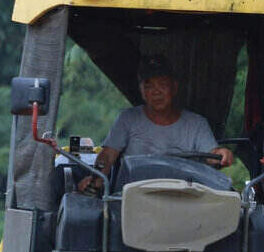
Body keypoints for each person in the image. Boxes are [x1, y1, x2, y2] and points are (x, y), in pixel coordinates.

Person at [79, 56, 233, 192]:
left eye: (163, 84)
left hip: (184, 197)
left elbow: (212, 155)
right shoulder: (128, 118)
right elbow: (108, 155)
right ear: (140, 90)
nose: (156, 91)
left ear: (174, 87)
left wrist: (222, 154)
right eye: (148, 86)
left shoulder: (197, 124)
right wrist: (95, 180)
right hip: (134, 197)